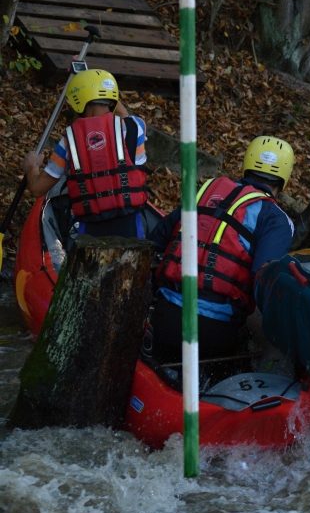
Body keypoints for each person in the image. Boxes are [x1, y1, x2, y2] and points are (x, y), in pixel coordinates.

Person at [146, 136, 296, 384]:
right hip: (213, 333)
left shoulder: (207, 190)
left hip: (165, 317)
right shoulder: (277, 219)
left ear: (247, 163)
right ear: (285, 177)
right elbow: (265, 279)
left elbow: (157, 238)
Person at [23, 69, 151, 239]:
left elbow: (37, 188)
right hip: (130, 226)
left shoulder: (69, 141)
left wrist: (32, 167)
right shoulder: (135, 127)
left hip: (90, 229)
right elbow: (123, 115)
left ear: (77, 100)